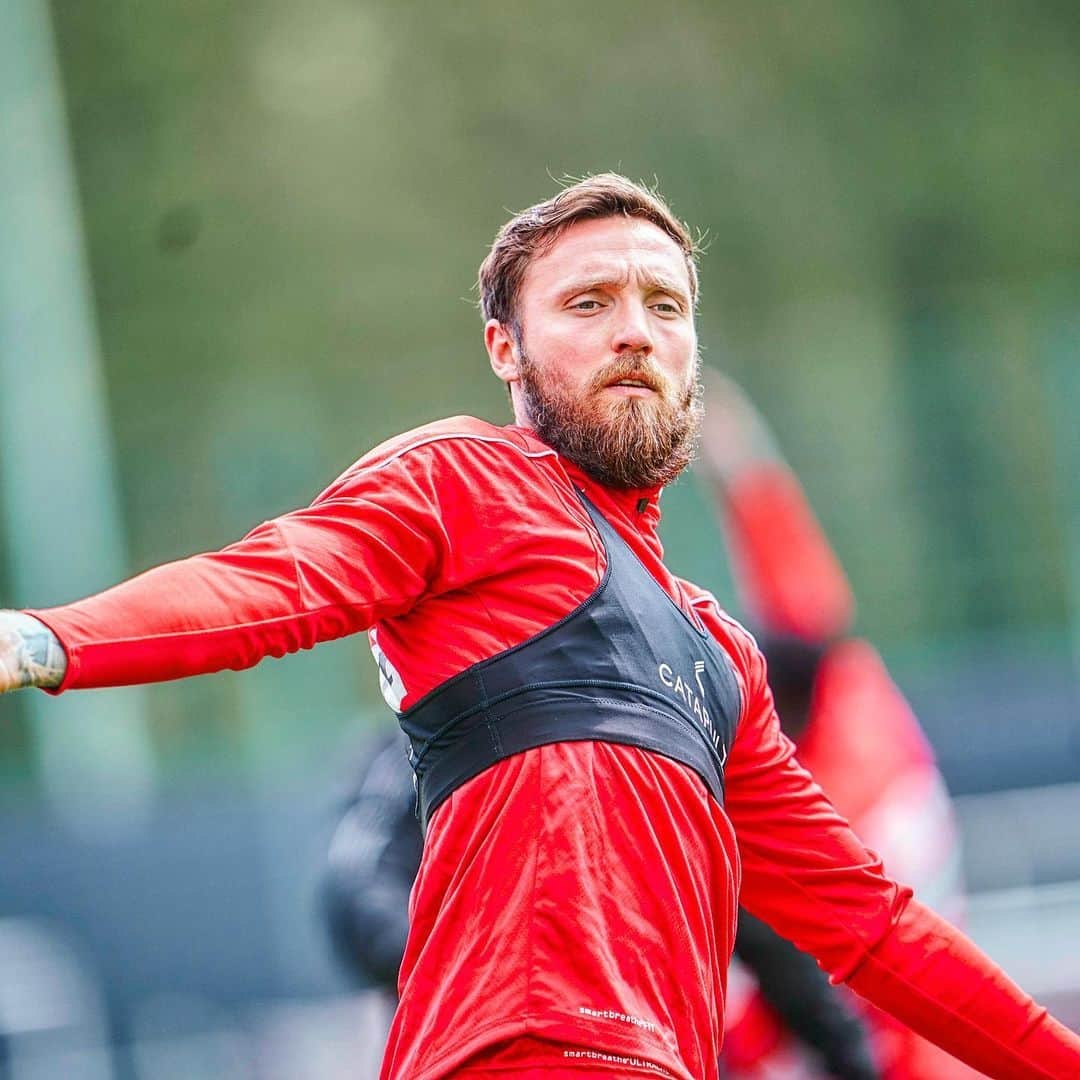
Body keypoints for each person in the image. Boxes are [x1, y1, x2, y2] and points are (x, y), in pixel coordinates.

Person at [0, 174, 1078, 1080]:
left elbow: (874, 928)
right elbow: (269, 583)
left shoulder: (721, 660)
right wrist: (40, 640)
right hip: (508, 1051)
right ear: (504, 349)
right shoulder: (467, 479)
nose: (634, 332)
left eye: (666, 304)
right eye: (587, 303)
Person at [696, 375, 981, 1079]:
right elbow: (786, 562)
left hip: (899, 984)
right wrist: (738, 454)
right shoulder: (838, 670)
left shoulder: (849, 795)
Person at [321, 729, 881, 1080]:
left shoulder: (655, 736)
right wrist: (479, 973)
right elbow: (358, 885)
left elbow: (750, 908)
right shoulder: (425, 741)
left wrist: (850, 1056)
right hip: (479, 1053)